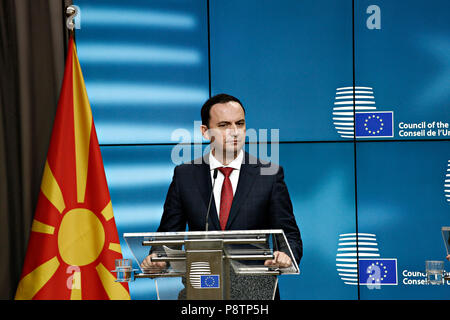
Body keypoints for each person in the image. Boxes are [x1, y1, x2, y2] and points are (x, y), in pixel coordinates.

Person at [141, 93, 302, 297]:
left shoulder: (268, 175)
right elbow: (168, 236)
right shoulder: (185, 176)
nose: (234, 132)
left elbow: (290, 236)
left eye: (240, 124)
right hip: (202, 290)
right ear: (205, 132)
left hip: (256, 293)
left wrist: (285, 255)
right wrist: (158, 258)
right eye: (224, 125)